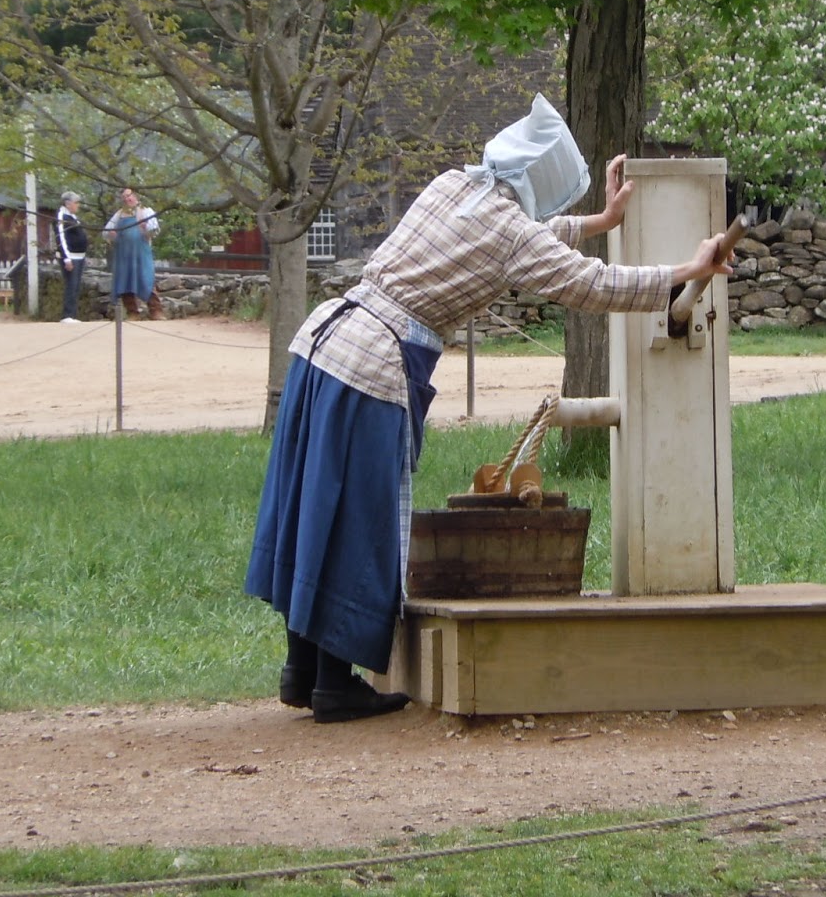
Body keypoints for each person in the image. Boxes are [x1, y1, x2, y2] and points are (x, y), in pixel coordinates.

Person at [243, 95, 732, 724]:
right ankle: (335, 684)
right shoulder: (508, 234)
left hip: (321, 346)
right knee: (355, 517)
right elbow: (588, 283)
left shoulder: (453, 187)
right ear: (543, 179)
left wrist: (597, 223)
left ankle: (303, 670)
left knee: (312, 504)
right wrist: (685, 270)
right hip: (369, 369)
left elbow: (516, 244)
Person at [103, 187, 163, 320]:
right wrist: (112, 234)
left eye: (129, 196)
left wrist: (146, 228)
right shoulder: (119, 215)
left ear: (136, 196)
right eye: (124, 197)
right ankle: (132, 312)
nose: (127, 199)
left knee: (146, 278)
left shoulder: (146, 211)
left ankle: (156, 311)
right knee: (126, 281)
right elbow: (106, 231)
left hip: (141, 253)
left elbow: (155, 230)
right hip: (124, 255)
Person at [54, 191, 90, 323]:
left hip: (80, 256)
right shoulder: (61, 216)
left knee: (76, 286)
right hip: (70, 256)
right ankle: (67, 315)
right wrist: (66, 258)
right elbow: (61, 238)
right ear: (68, 204)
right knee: (71, 284)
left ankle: (73, 314)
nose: (78, 206)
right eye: (76, 203)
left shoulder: (73, 217)